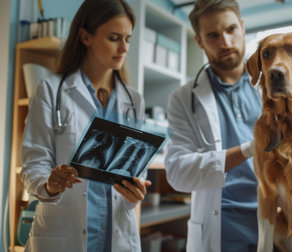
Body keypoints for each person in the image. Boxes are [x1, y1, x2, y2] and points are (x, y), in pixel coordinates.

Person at [20, 0, 151, 251]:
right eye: (114, 38)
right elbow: (33, 162)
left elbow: (136, 168)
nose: (124, 47)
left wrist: (136, 190)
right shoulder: (50, 90)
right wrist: (50, 184)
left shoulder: (134, 100)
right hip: (64, 234)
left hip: (116, 235)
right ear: (85, 37)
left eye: (128, 39)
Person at [164, 0, 262, 251]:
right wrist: (249, 149)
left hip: (276, 220)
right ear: (199, 41)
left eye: (231, 30)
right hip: (221, 229)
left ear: (242, 26)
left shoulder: (271, 86)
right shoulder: (184, 99)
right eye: (213, 35)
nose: (226, 42)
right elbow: (177, 172)